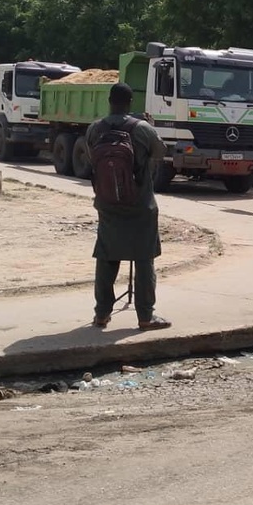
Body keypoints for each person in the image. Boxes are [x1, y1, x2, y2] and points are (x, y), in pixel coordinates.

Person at [85, 82, 171, 331]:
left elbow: (93, 159)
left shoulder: (95, 129)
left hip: (107, 204)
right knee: (144, 259)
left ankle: (101, 314)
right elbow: (159, 153)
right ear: (130, 103)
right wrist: (148, 126)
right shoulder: (142, 128)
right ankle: (145, 316)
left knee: (106, 257)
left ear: (109, 101)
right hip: (140, 205)